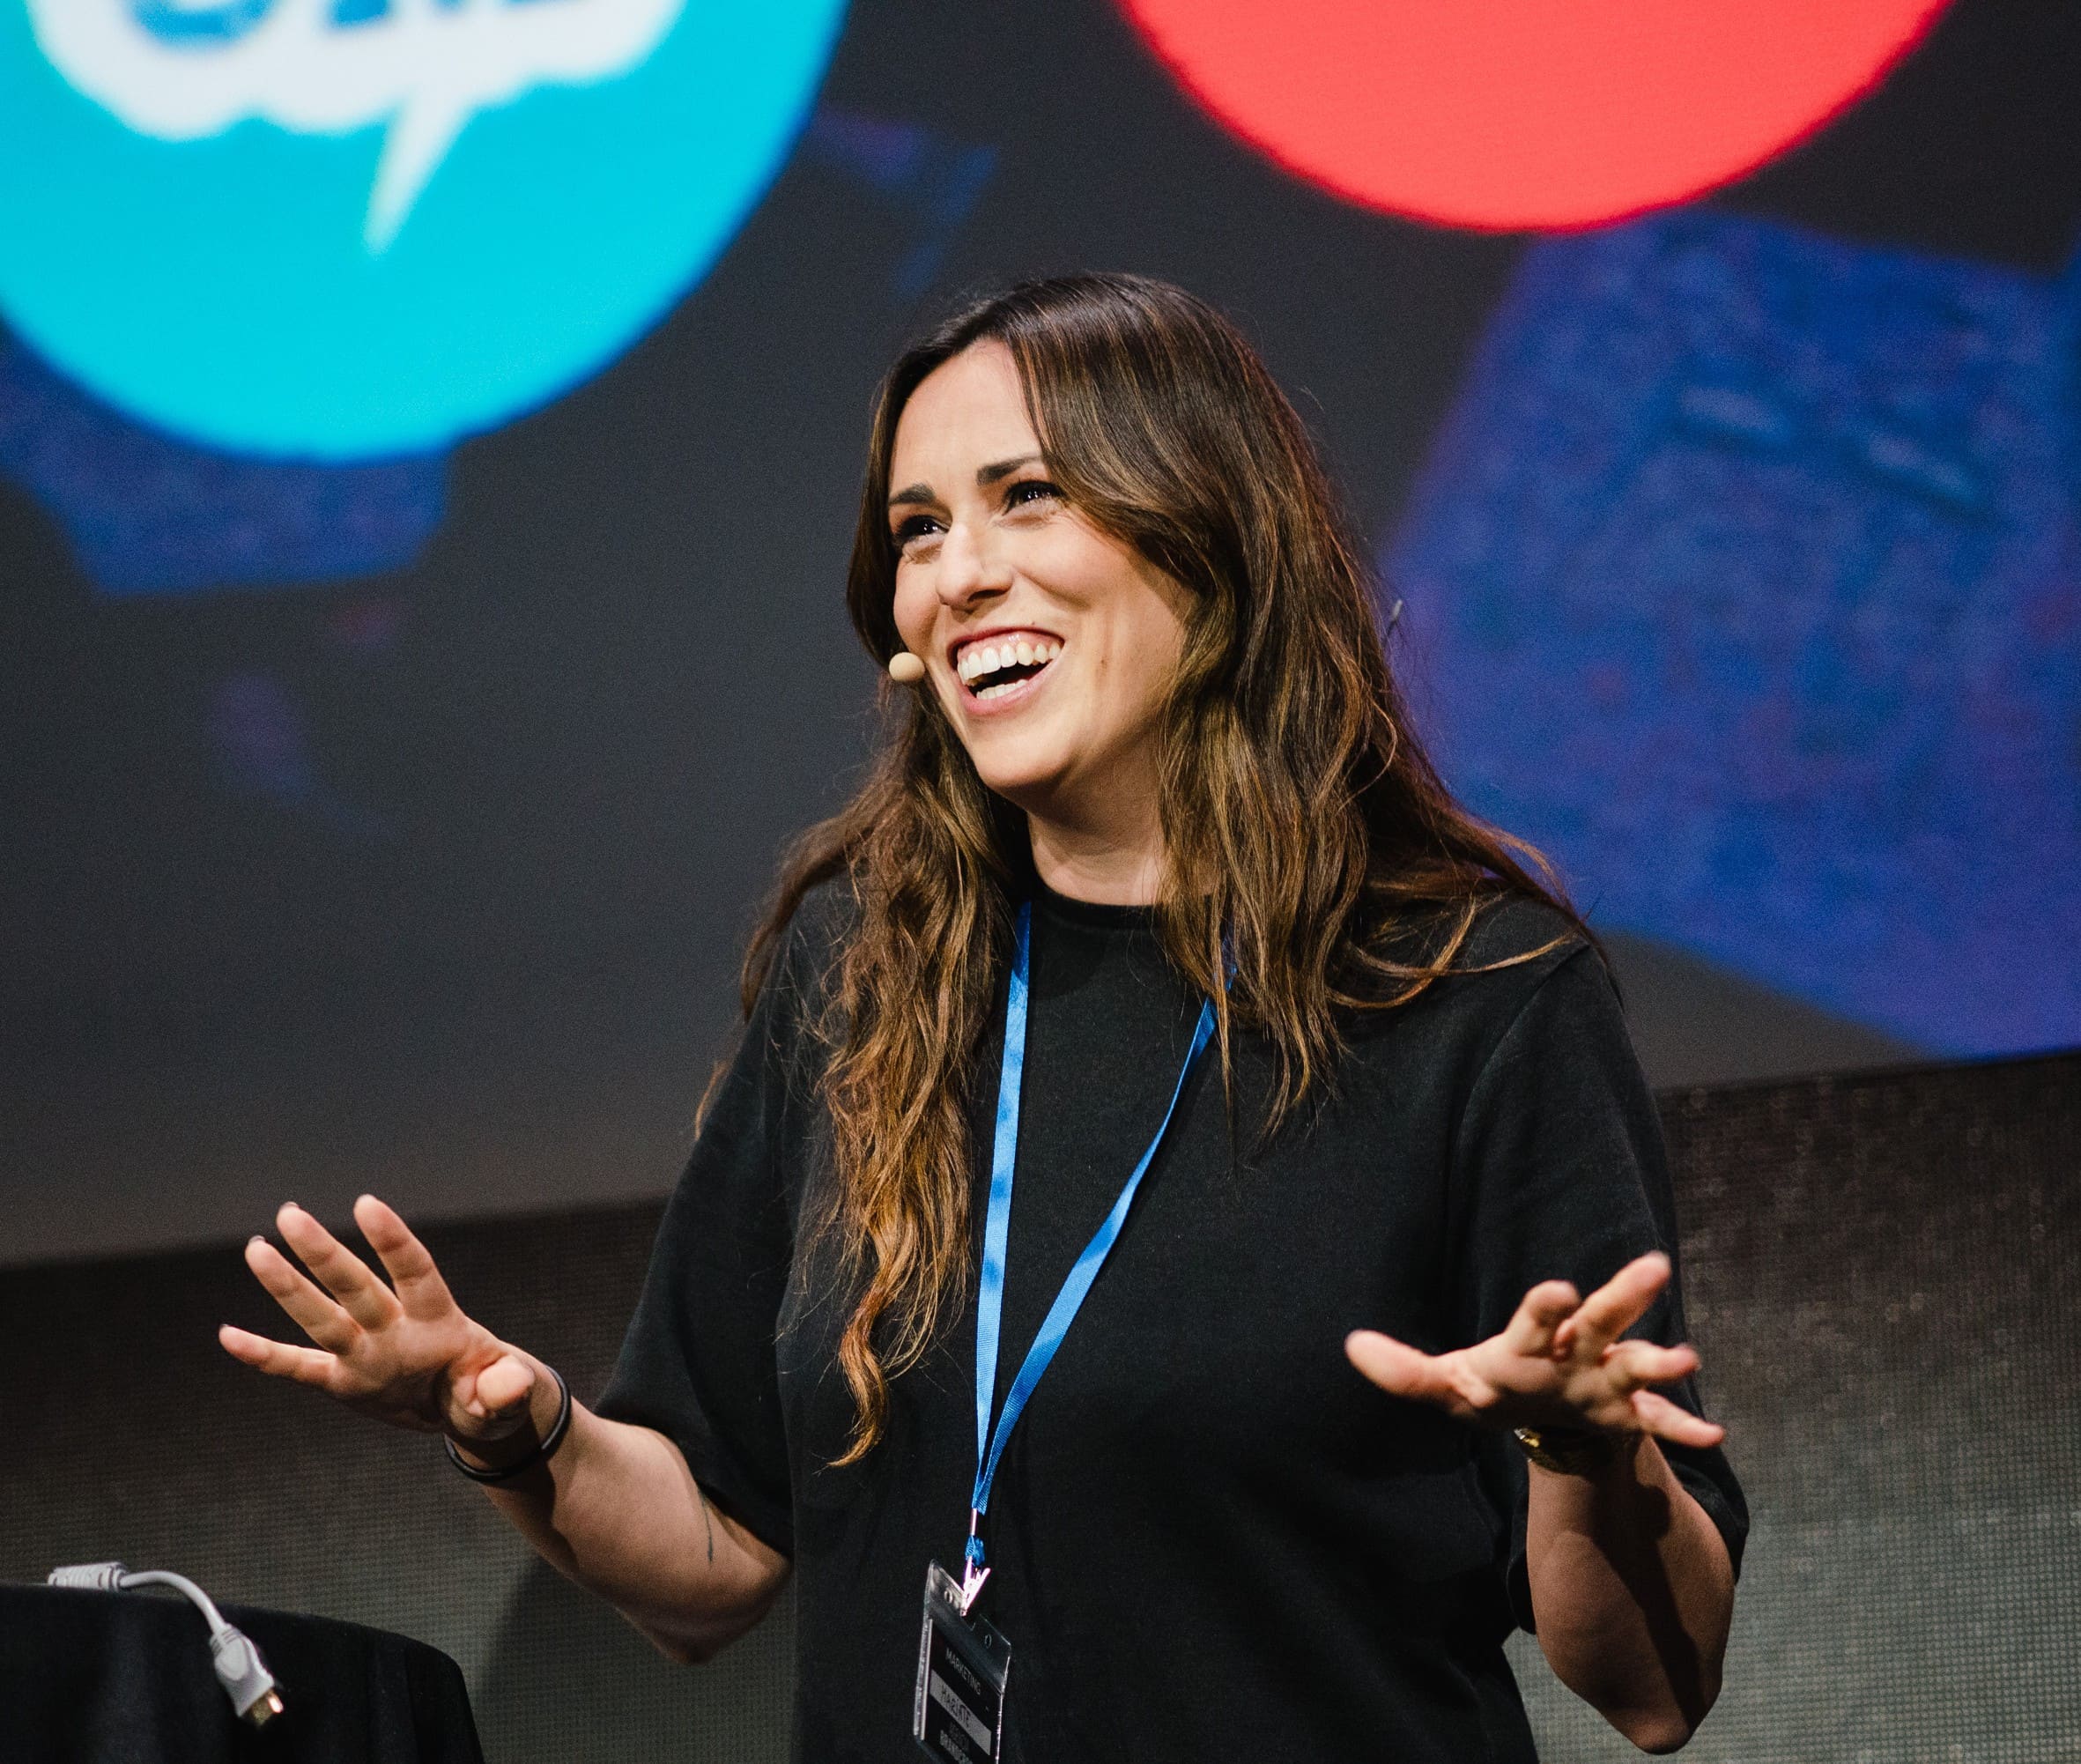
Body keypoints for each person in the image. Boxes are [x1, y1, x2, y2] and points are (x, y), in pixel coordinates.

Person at [222, 273, 1744, 1762]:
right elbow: (712, 1561)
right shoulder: (862, 972)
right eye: (918, 528)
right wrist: (506, 1421)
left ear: (1210, 539)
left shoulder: (1471, 992)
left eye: (1027, 496)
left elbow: (1654, 1690)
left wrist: (1581, 1450)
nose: (959, 573)